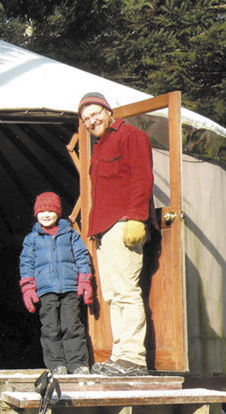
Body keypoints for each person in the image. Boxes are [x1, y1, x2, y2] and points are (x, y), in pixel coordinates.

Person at [78, 92, 153, 376]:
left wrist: (137, 218)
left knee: (125, 291)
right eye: (85, 119)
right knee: (112, 294)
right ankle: (120, 354)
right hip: (104, 229)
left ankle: (133, 358)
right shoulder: (100, 146)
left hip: (123, 224)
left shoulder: (130, 136)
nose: (91, 121)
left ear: (108, 111)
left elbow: (142, 177)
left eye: (95, 113)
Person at [19, 192, 94, 375]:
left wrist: (84, 280)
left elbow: (82, 256)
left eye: (50, 211)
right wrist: (28, 288)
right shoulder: (32, 239)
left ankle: (77, 364)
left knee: (72, 325)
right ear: (36, 214)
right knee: (51, 327)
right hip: (46, 290)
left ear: (58, 213)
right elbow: (26, 263)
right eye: (42, 211)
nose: (46, 215)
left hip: (70, 288)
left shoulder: (70, 234)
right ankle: (56, 364)